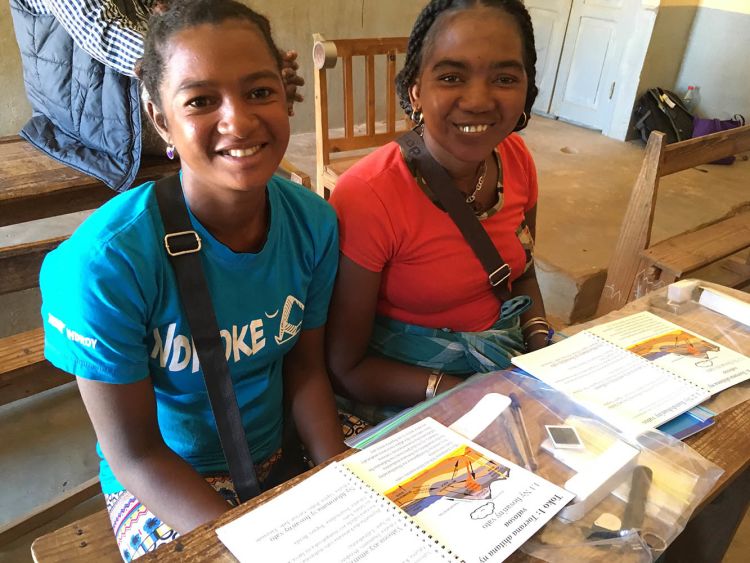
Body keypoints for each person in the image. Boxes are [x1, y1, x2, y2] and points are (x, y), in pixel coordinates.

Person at [38, 1, 345, 559]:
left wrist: (341, 481)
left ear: (285, 93)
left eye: (259, 92)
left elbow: (304, 371)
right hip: (170, 480)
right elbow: (134, 455)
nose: (239, 121)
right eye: (201, 101)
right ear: (161, 120)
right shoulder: (105, 266)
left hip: (277, 447)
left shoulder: (313, 223)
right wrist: (249, 541)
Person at [327, 0, 550, 421]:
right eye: (451, 77)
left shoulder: (516, 160)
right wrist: (463, 392)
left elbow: (522, 271)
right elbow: (346, 368)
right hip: (407, 394)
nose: (479, 100)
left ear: (527, 89)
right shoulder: (369, 195)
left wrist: (542, 346)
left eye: (504, 78)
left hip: (502, 375)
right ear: (416, 90)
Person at [9, 0, 303, 192]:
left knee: (245, 100)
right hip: (86, 108)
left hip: (149, 87)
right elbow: (103, 30)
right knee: (228, 114)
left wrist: (261, 63)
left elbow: (193, 19)